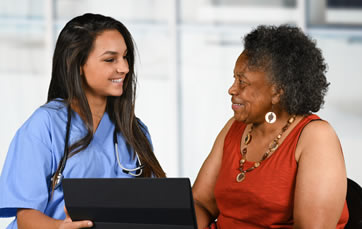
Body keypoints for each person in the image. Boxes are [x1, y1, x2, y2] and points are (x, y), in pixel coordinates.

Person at [0, 13, 165, 228]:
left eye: (125, 57)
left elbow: (148, 210)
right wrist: (60, 227)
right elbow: (26, 218)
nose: (124, 68)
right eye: (110, 59)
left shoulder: (134, 132)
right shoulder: (45, 125)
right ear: (77, 64)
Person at [192, 25, 349, 229]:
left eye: (242, 82)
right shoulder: (235, 127)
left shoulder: (316, 137)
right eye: (234, 79)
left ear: (277, 92)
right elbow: (201, 202)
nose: (232, 89)